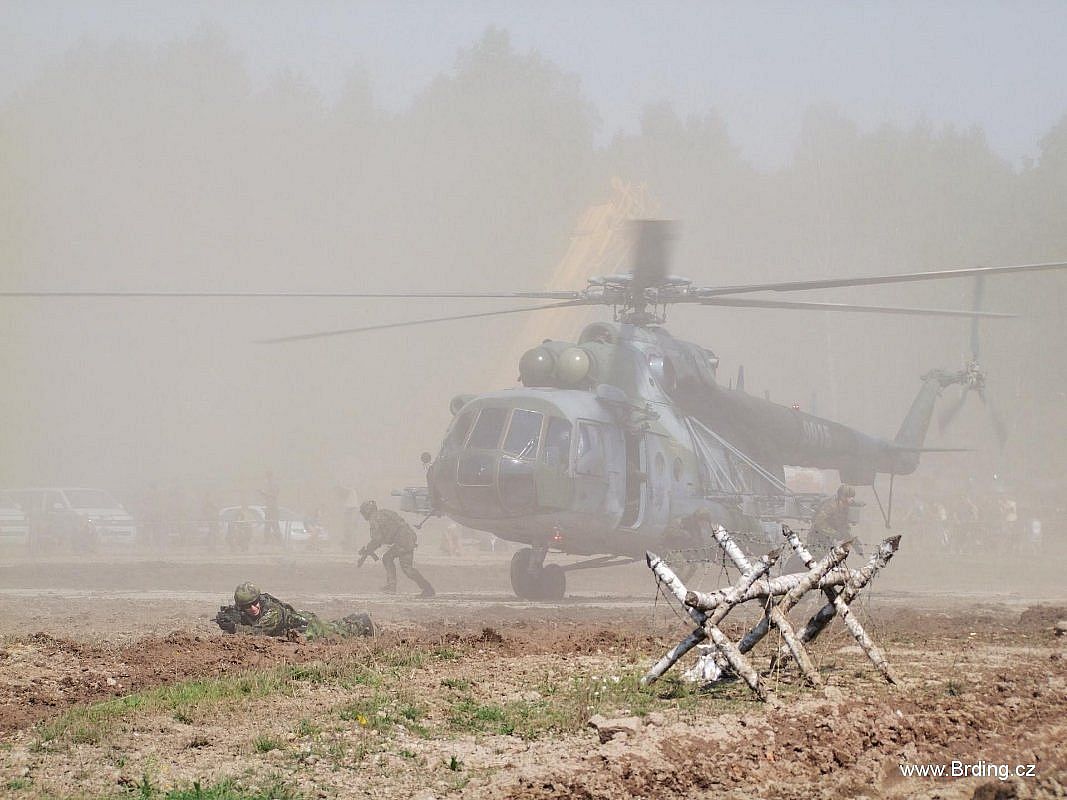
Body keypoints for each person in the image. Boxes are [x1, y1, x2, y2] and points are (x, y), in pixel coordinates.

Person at [216, 581, 374, 640]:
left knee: (339, 631)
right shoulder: (243, 609)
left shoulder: (272, 611)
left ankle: (362, 621)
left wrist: (234, 628)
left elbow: (259, 633)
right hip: (294, 629)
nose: (253, 608)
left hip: (306, 627)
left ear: (259, 598)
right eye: (246, 606)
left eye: (255, 602)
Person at [358, 500, 435, 597]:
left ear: (367, 511)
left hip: (402, 540)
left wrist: (369, 549)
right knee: (404, 567)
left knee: (393, 561)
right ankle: (427, 588)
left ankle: (392, 586)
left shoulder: (374, 519)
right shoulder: (385, 512)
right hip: (408, 537)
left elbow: (377, 539)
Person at [809, 484, 856, 553]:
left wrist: (848, 536)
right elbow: (819, 522)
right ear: (843, 497)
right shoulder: (830, 506)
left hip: (829, 540)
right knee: (818, 560)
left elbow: (843, 524)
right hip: (817, 538)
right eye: (849, 496)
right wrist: (834, 533)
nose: (852, 499)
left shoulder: (844, 507)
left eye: (852, 496)